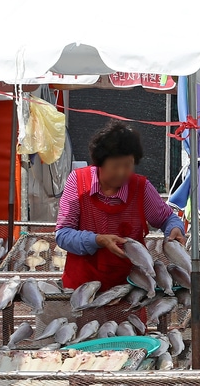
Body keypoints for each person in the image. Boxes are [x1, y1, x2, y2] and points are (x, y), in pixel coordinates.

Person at [56, 122, 186, 291]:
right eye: (115, 166)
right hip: (82, 289)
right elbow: (63, 234)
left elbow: (168, 218)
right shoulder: (78, 182)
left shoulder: (141, 187)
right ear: (99, 163)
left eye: (128, 165)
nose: (122, 172)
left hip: (132, 288)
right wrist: (98, 240)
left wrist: (175, 228)